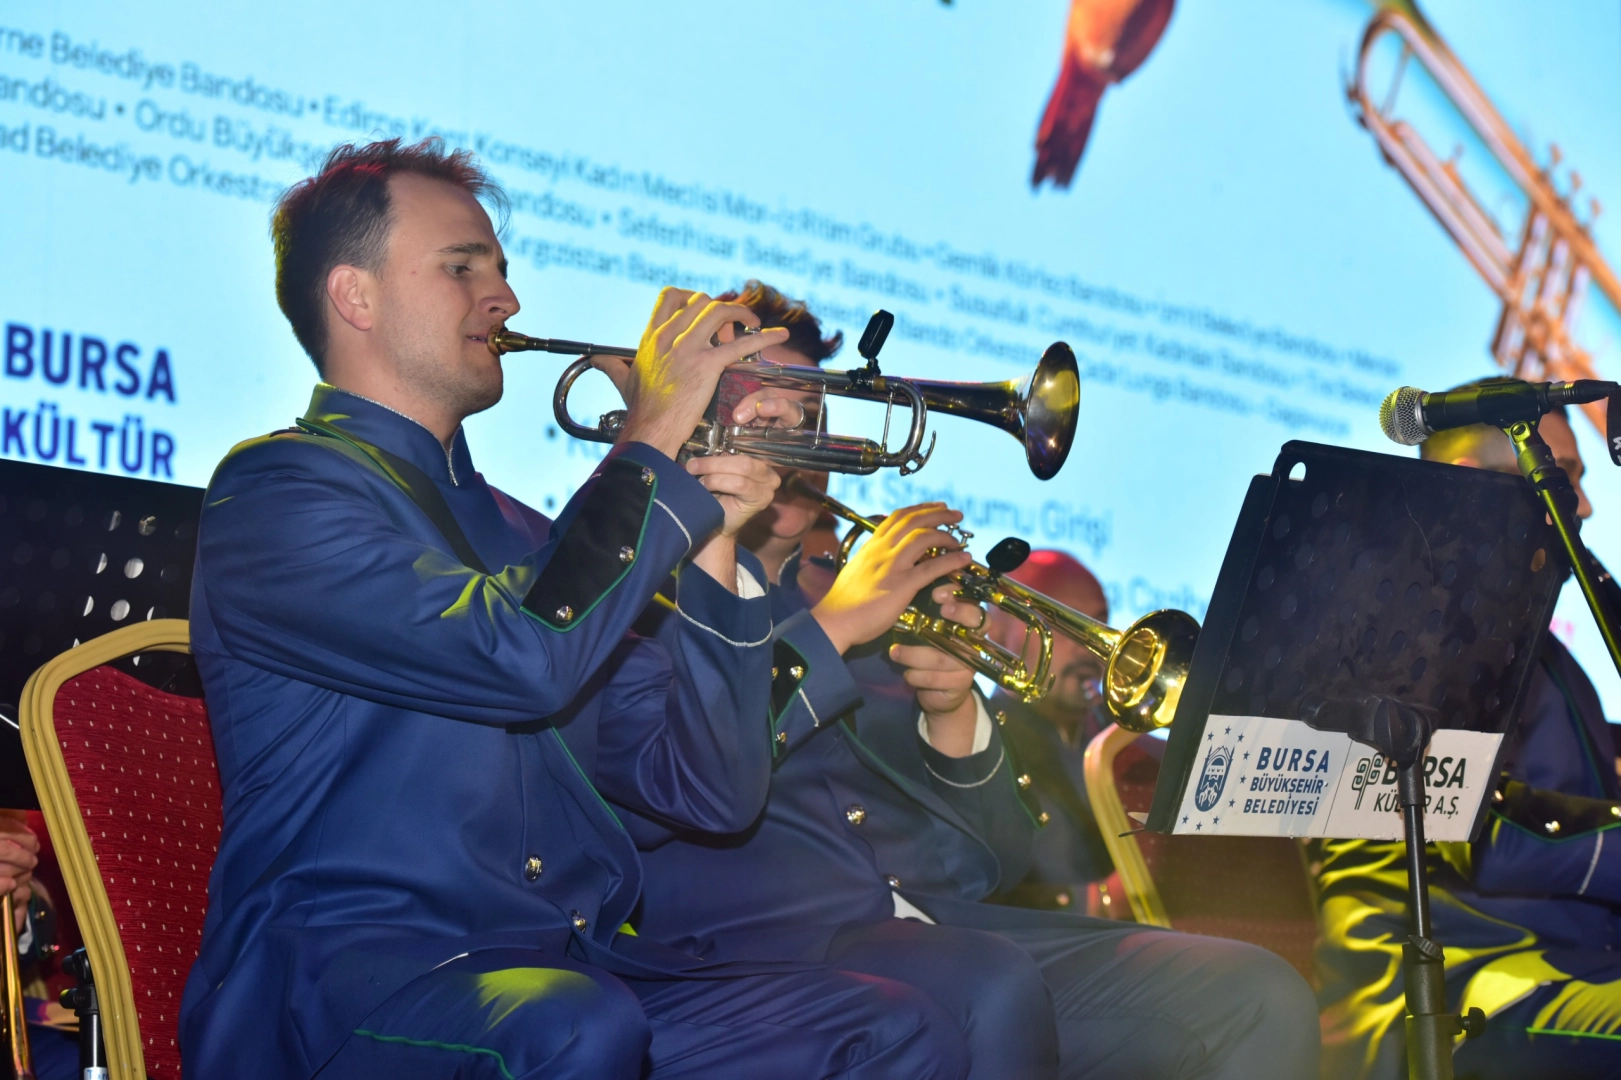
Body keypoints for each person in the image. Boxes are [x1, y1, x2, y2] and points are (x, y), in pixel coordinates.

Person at [178, 142, 972, 1080]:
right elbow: (519, 654)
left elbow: (704, 790)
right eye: (463, 268)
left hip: (559, 976)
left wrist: (713, 535)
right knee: (577, 1026)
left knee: (891, 1028)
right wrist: (652, 438)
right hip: (344, 987)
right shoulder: (276, 490)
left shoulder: (526, 533)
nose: (505, 298)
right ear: (355, 296)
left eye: (501, 270)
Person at [632, 280, 1323, 1080]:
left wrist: (952, 716)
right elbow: (691, 780)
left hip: (927, 929)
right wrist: (835, 629)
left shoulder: (864, 609)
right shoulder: (644, 584)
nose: (790, 435)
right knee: (986, 985)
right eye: (758, 404)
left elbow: (992, 863)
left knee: (1257, 991)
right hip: (749, 953)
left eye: (808, 412)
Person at [1315, 380, 1621, 1079]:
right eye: (1558, 479)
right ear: (1472, 485)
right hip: (1462, 982)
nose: (1584, 505)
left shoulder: (1534, 643)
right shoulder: (1406, 635)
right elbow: (1478, 834)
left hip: (1571, 963)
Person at [982, 550, 1116, 913]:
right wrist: (1101, 900)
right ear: (998, 631)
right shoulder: (974, 745)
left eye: (1099, 625)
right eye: (1061, 621)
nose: (1089, 645)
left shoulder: (1118, 743)